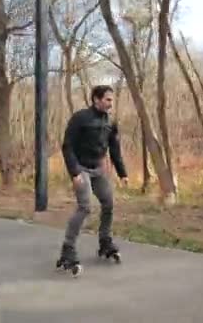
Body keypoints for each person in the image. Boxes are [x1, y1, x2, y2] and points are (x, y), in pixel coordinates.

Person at [57, 84, 128, 271]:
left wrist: (122, 173)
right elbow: (67, 146)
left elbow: (114, 149)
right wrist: (74, 172)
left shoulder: (110, 122)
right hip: (80, 168)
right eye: (108, 100)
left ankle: (105, 241)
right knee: (85, 207)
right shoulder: (80, 118)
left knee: (108, 203)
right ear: (96, 99)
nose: (111, 104)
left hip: (98, 169)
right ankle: (68, 249)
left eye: (112, 100)